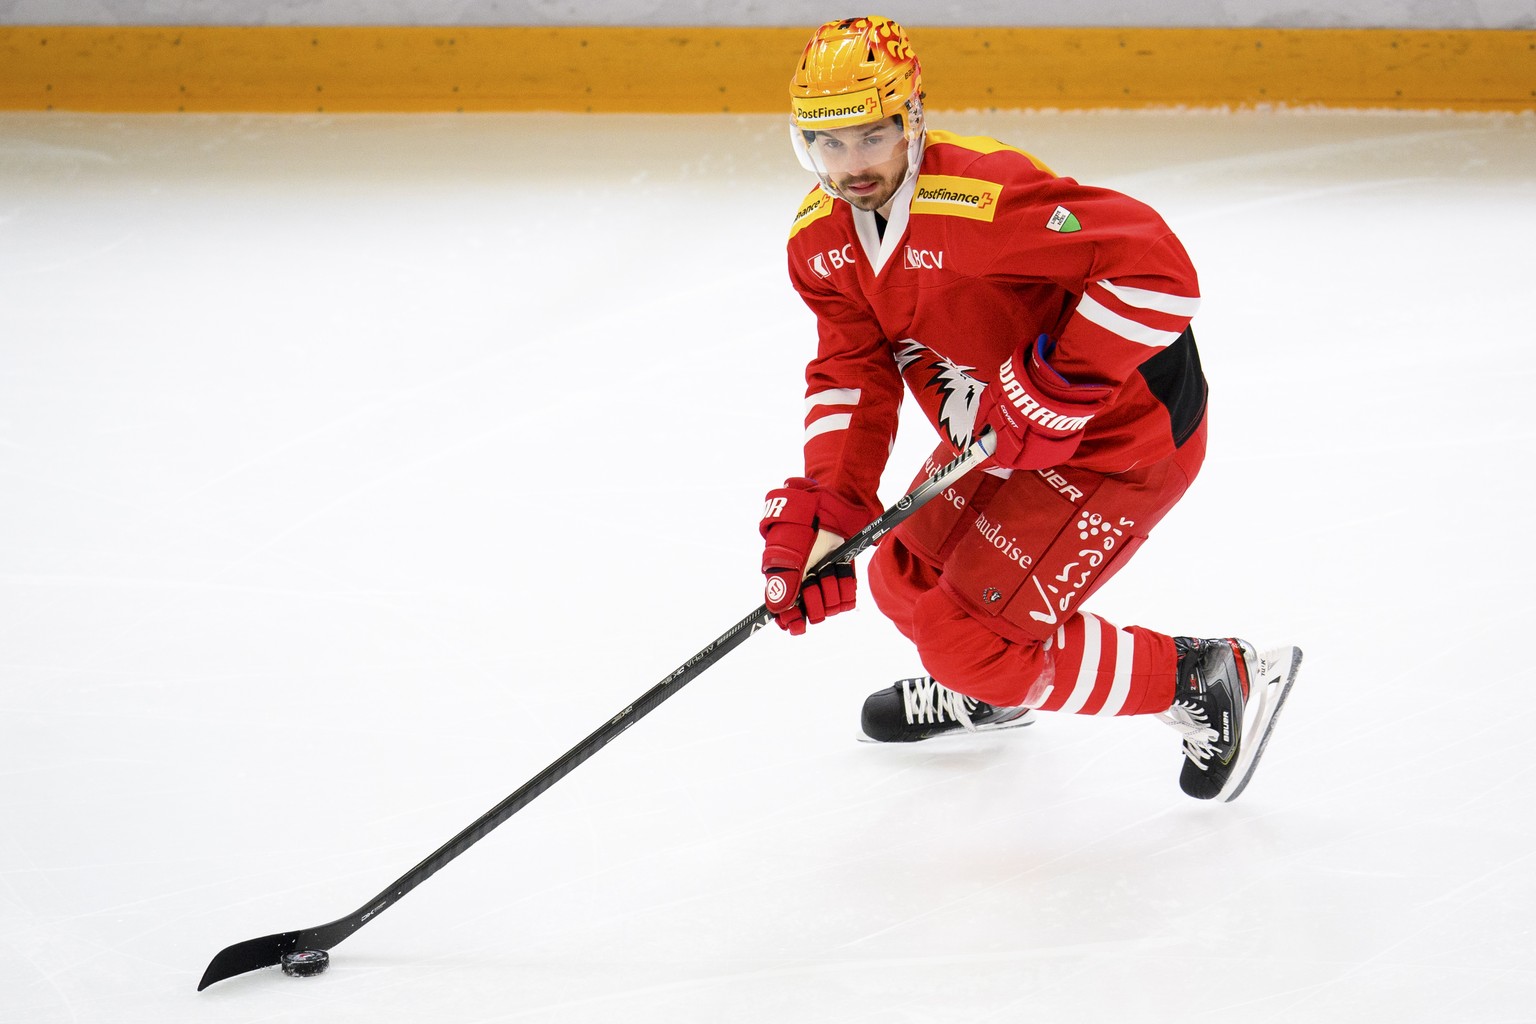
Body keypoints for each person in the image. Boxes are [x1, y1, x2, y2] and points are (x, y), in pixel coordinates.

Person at [756, 15, 1301, 801]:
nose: (851, 166)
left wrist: (1058, 385)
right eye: (829, 144)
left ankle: (1207, 677)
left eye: (871, 136)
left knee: (961, 638)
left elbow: (1159, 274)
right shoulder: (820, 242)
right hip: (1003, 432)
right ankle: (995, 692)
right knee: (902, 573)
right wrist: (832, 508)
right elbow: (850, 370)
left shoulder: (981, 200)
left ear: (911, 118)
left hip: (1125, 432)